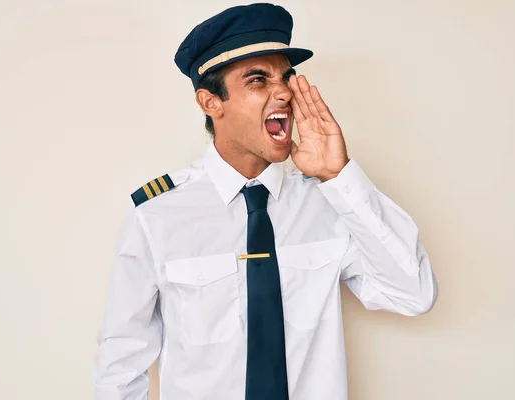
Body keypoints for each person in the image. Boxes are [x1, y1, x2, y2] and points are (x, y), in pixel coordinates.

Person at [93, 3, 437, 400]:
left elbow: (414, 294)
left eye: (286, 77)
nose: (283, 92)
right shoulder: (157, 214)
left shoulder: (329, 200)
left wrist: (339, 177)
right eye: (258, 80)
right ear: (210, 103)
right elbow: (121, 361)